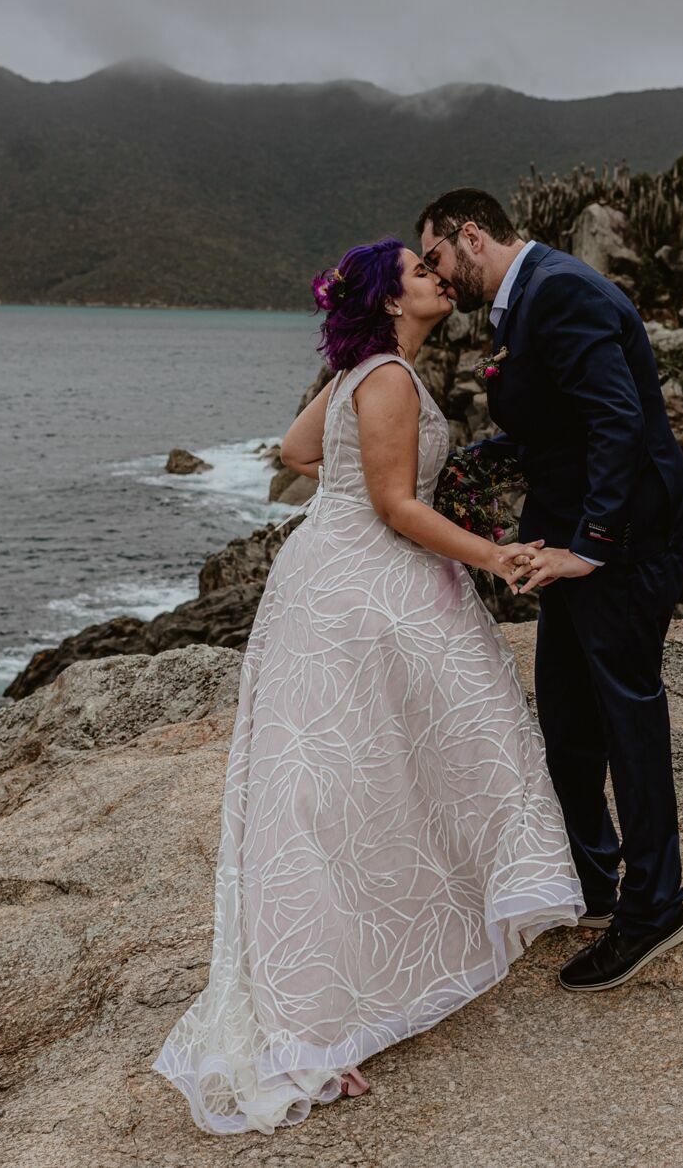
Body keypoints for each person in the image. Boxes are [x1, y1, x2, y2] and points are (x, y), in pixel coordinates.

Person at [153, 237, 584, 1135]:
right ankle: (318, 1012)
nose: (437, 276)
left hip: (327, 575)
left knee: (340, 780)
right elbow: (395, 507)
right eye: (420, 273)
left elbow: (296, 448)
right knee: (368, 777)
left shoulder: (365, 372)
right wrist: (496, 558)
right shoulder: (385, 378)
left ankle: (340, 986)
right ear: (391, 302)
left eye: (436, 267)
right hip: (367, 586)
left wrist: (350, 491)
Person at [417, 188, 683, 994]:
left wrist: (592, 549)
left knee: (627, 721)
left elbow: (618, 420)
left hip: (624, 542)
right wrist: (493, 456)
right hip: (569, 536)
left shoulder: (564, 290)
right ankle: (592, 880)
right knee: (569, 715)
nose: (438, 278)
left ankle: (655, 910)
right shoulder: (528, 296)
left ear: (469, 236)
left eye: (437, 257)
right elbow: (568, 421)